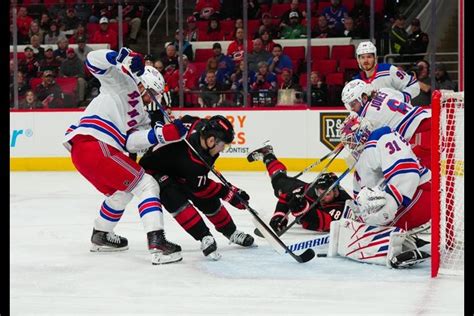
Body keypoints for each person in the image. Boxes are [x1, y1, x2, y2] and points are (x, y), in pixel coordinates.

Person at [62, 47, 187, 265]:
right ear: (144, 84)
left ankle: (100, 235)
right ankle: (157, 242)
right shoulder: (123, 83)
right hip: (96, 144)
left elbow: (132, 141)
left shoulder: (141, 115)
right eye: (153, 93)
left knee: (123, 192)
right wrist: (119, 56)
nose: (153, 99)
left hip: (85, 153)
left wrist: (166, 134)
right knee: (146, 185)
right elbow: (92, 61)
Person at [139, 115, 255, 261]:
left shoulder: (200, 125)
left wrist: (232, 191)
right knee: (174, 197)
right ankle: (204, 237)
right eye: (223, 145)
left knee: (207, 199)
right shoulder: (194, 161)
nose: (223, 149)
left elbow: (185, 119)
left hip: (178, 169)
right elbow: (201, 188)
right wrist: (230, 194)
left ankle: (231, 232)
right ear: (212, 141)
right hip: (154, 170)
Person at [327, 115, 431, 269]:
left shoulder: (381, 137)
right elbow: (361, 197)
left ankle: (399, 246)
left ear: (360, 134)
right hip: (415, 195)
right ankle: (405, 242)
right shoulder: (362, 159)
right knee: (368, 217)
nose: (350, 144)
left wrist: (389, 205)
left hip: (424, 193)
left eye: (351, 139)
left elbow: (406, 172)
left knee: (374, 229)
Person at [246, 143, 352, 234]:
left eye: (327, 194)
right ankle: (267, 154)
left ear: (336, 191)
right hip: (302, 192)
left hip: (316, 214)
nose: (322, 198)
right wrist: (279, 216)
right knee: (279, 182)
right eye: (319, 193)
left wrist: (301, 210)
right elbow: (285, 198)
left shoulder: (343, 204)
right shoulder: (311, 190)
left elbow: (325, 224)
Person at [341, 79, 431, 168]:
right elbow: (405, 98)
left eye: (353, 104)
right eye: (348, 106)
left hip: (419, 136)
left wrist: (354, 156)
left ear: (364, 98)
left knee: (416, 174)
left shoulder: (369, 118)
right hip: (429, 121)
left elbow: (370, 149)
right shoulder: (384, 90)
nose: (351, 109)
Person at [353, 41, 420, 103]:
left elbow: (413, 85)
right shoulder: (356, 81)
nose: (366, 60)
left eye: (369, 57)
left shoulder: (388, 70)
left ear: (375, 58)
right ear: (358, 60)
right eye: (362, 57)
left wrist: (403, 98)